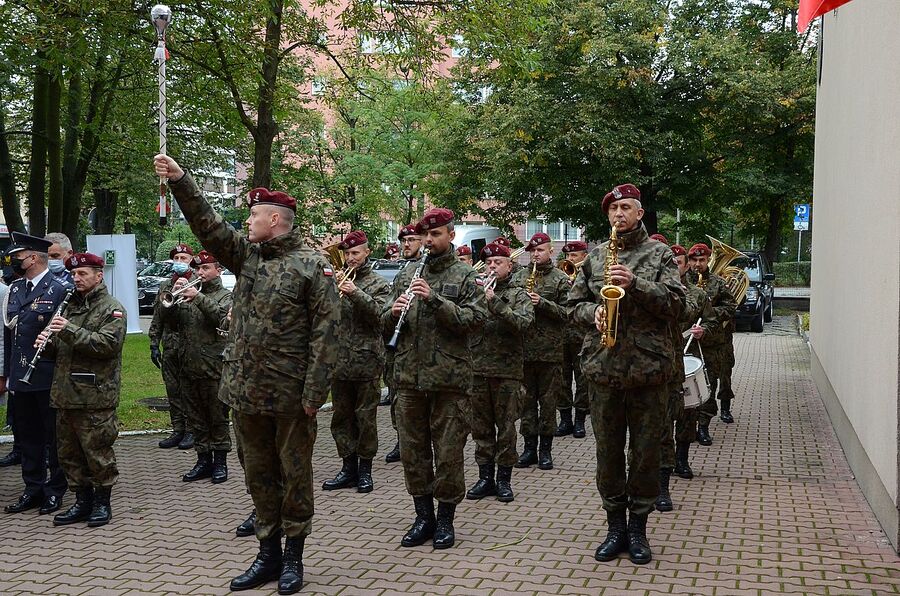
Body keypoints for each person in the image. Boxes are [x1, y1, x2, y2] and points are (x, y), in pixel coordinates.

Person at [155, 154, 339, 594]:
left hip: (292, 395)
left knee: (294, 475)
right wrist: (181, 179)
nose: (247, 220)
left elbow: (327, 336)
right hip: (246, 392)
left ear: (276, 219)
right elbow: (209, 227)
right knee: (257, 474)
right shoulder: (250, 258)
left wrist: (314, 392)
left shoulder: (313, 266)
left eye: (254, 214)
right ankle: (267, 555)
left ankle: (294, 557)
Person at [568, 183, 684, 565]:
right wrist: (593, 313)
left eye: (626, 208)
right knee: (608, 454)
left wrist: (636, 285)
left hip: (649, 371)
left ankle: (638, 529)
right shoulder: (596, 256)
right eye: (613, 209)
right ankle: (614, 526)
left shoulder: (660, 254)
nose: (619, 214)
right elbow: (573, 307)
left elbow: (677, 305)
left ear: (639, 213)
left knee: (646, 453)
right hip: (604, 369)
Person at [381, 207, 486, 550]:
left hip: (449, 381)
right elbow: (383, 322)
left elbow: (475, 320)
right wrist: (391, 312)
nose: (428, 240)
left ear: (450, 235)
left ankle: (445, 519)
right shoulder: (407, 272)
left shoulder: (466, 275)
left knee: (448, 453)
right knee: (413, 452)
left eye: (436, 234)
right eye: (425, 235)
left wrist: (436, 299)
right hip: (409, 378)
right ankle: (422, 516)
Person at [36, 252, 126, 527]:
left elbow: (107, 345)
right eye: (74, 274)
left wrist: (68, 331)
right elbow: (62, 348)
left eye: (82, 273)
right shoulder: (69, 306)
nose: (76, 278)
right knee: (69, 455)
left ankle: (102, 502)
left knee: (97, 452)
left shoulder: (112, 308)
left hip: (94, 395)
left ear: (99, 276)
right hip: (65, 393)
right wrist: (47, 343)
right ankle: (81, 501)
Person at [1, 232, 70, 515]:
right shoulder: (16, 289)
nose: (14, 262)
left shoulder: (59, 289)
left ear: (32, 258)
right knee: (27, 436)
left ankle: (55, 490)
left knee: (53, 437)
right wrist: (7, 374)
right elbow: (10, 336)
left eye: (18, 257)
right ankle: (33, 488)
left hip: (47, 374)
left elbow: (64, 334)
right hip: (21, 374)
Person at [323, 230, 390, 494]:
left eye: (355, 253)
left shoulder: (377, 283)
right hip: (339, 361)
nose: (350, 258)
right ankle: (347, 467)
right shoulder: (334, 282)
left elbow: (381, 317)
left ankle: (365, 471)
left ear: (366, 252)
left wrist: (355, 292)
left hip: (366, 362)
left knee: (365, 419)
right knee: (341, 418)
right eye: (347, 254)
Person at [466, 242, 533, 503]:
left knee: (506, 428)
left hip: (507, 371)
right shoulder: (475, 292)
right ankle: (485, 478)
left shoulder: (519, 294)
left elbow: (524, 323)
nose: (492, 266)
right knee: (480, 428)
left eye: (498, 262)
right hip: (478, 368)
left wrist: (495, 303)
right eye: (489, 263)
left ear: (510, 265)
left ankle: (504, 479)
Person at [512, 232, 570, 470]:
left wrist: (542, 303)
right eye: (532, 251)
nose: (535, 255)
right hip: (524, 351)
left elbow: (569, 313)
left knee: (547, 403)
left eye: (540, 250)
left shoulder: (560, 279)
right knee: (526, 403)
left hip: (550, 352)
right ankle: (528, 449)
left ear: (551, 251)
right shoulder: (519, 277)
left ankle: (545, 450)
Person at [176, 250, 233, 484]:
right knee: (195, 417)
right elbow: (171, 321)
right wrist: (172, 293)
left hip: (213, 366)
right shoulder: (189, 292)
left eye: (206, 268)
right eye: (198, 269)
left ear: (218, 270)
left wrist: (197, 297)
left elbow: (222, 319)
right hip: (189, 366)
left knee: (217, 417)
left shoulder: (226, 296)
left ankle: (220, 462)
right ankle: (202, 460)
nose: (200, 273)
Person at [688, 243, 738, 445]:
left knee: (708, 383)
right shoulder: (681, 282)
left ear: (708, 260)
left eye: (702, 260)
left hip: (712, 343)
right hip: (688, 343)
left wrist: (709, 312)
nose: (698, 264)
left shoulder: (718, 283)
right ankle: (688, 427)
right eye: (694, 260)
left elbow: (731, 306)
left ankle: (703, 426)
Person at [383, 224, 424, 462]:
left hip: (425, 351)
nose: (406, 244)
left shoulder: (425, 270)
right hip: (401, 351)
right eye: (404, 240)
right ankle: (402, 440)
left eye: (411, 240)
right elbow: (385, 310)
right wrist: (393, 311)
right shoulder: (403, 273)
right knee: (399, 400)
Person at [148, 244, 196, 450]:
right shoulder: (166, 285)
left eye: (184, 258)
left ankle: (193, 430)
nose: (179, 261)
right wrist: (153, 343)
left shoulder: (197, 282)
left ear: (191, 260)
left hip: (191, 345)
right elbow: (158, 316)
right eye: (176, 258)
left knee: (190, 390)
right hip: (170, 345)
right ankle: (178, 429)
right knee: (172, 389)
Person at [556, 240, 590, 439]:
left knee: (582, 380)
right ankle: (565, 419)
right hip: (562, 336)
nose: (570, 260)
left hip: (581, 336)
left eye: (574, 256)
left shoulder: (589, 276)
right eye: (567, 256)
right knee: (562, 380)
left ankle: (579, 421)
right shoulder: (562, 276)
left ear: (584, 256)